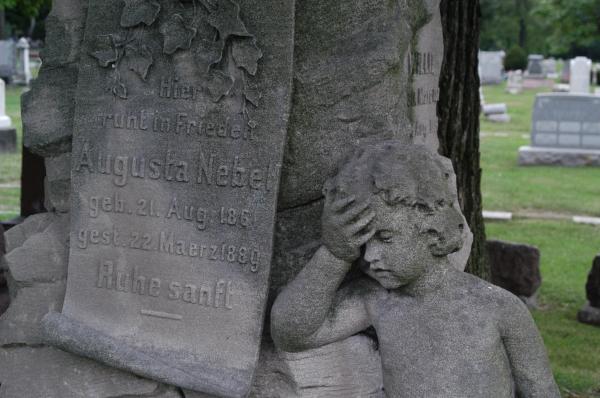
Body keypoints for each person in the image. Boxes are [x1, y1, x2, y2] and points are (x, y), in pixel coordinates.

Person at [271, 141, 560, 397]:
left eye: (384, 238)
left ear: (431, 228)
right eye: (361, 245)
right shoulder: (376, 300)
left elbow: (541, 390)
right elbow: (291, 333)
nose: (369, 256)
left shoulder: (497, 307)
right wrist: (335, 253)